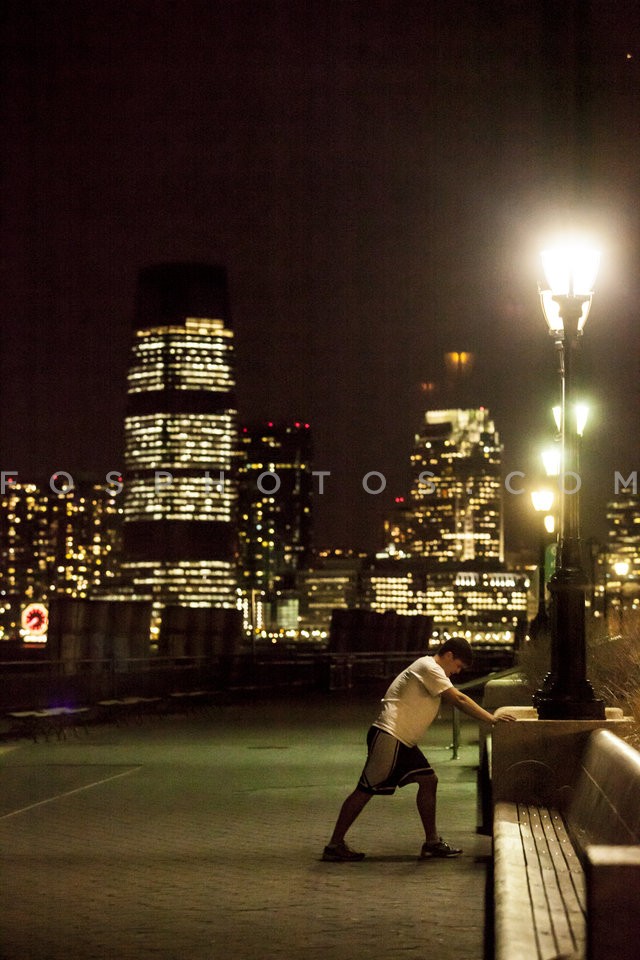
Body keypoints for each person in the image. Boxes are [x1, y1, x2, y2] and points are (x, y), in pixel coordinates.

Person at [322, 636, 516, 862]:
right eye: (458, 666)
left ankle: (432, 843)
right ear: (449, 655)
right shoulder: (428, 667)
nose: (457, 672)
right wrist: (491, 719)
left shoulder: (429, 668)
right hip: (390, 737)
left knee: (428, 781)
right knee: (365, 790)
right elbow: (459, 699)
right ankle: (334, 845)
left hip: (401, 741)